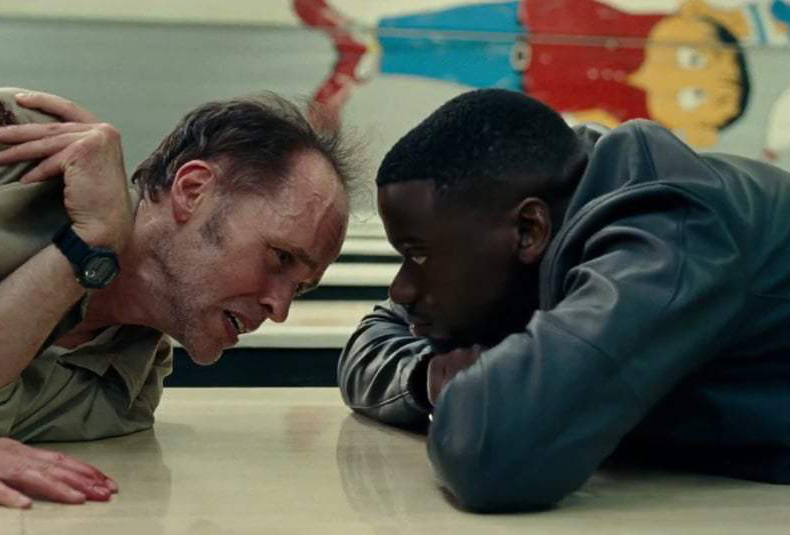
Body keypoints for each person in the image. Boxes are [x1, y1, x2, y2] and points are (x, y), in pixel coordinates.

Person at [0, 88, 352, 507]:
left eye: (301, 288)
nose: (280, 309)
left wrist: (91, 249)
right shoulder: (10, 141)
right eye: (280, 258)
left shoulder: (124, 396)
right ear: (193, 190)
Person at [338, 88, 790, 512]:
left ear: (528, 230)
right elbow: (368, 343)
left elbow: (493, 452)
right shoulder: (532, 214)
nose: (401, 290)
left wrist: (488, 386)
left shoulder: (664, 235)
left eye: (419, 254)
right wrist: (429, 375)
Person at [295, 0, 752, 148]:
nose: (675, 76)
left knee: (453, 67)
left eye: (695, 97)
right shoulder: (651, 28)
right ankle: (364, 36)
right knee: (450, 25)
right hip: (530, 19)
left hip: (526, 79)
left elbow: (600, 125)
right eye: (697, 61)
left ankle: (363, 64)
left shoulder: (636, 113)